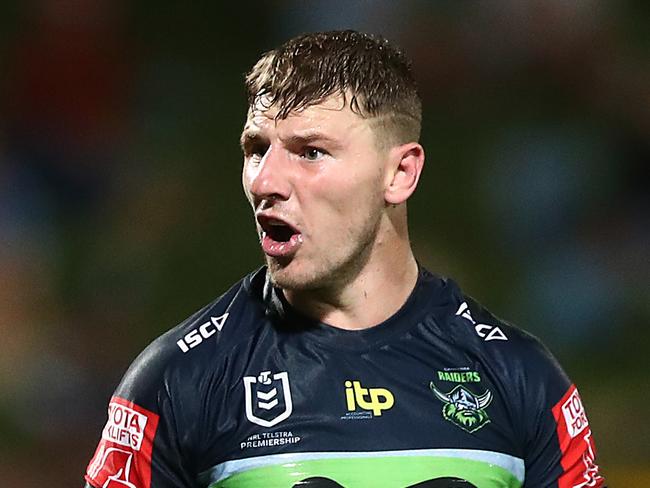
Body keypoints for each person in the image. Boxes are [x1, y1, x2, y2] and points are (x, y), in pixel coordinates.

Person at [84, 30, 605, 488]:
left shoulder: (518, 376)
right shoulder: (179, 379)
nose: (265, 182)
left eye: (310, 151)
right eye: (256, 148)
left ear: (399, 174)